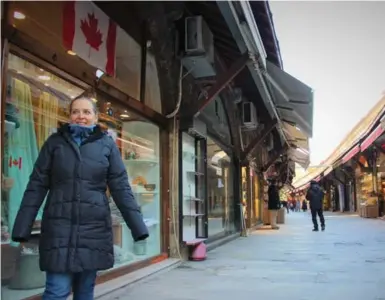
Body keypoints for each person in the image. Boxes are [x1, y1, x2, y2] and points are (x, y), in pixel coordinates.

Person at [11, 95, 149, 300]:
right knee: (56, 292)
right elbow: (36, 185)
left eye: (86, 112)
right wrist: (22, 227)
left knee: (84, 293)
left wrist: (138, 227)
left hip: (93, 230)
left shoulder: (106, 145)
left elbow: (120, 187)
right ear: (69, 116)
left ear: (95, 117)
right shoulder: (54, 143)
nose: (80, 116)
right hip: (59, 228)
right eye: (76, 112)